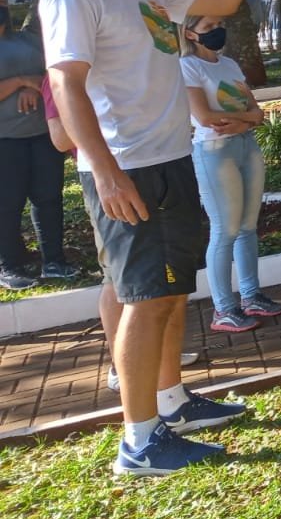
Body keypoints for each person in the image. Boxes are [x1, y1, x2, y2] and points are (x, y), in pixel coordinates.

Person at [41, 0, 280, 477]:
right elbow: (65, 84)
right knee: (144, 299)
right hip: (128, 169)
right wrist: (104, 170)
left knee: (172, 290)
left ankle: (172, 404)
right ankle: (140, 440)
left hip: (171, 156)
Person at [40, 78, 197, 392]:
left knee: (148, 281)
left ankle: (160, 369)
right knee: (117, 278)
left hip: (142, 169)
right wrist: (113, 129)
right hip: (109, 179)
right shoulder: (60, 77)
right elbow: (59, 138)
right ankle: (121, 367)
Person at [182, 14, 281, 332]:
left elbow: (258, 112)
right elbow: (205, 116)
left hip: (245, 145)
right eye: (208, 28)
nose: (216, 31)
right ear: (190, 34)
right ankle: (224, 308)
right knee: (224, 229)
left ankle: (251, 296)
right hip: (214, 151)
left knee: (248, 226)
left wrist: (242, 122)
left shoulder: (230, 65)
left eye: (217, 25)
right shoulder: (188, 67)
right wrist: (245, 118)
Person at [0, 4, 75, 289]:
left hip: (42, 134)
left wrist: (34, 86)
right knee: (7, 205)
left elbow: (54, 76)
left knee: (48, 199)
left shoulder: (29, 41)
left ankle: (54, 261)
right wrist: (21, 82)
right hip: (5, 141)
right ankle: (10, 266)